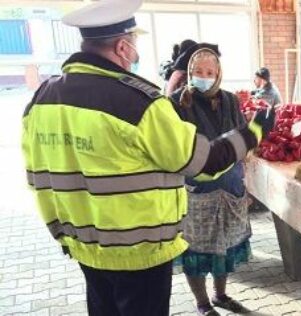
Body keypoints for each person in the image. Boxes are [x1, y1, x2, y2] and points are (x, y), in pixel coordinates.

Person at [20, 0, 275, 315]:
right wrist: (254, 132)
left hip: (84, 245)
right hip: (138, 251)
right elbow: (202, 162)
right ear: (123, 47)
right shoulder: (138, 101)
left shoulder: (43, 98)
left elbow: (35, 175)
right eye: (135, 43)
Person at [171, 48, 251, 316]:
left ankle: (221, 295)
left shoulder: (230, 100)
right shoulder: (176, 103)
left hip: (230, 188)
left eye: (209, 72)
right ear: (189, 73)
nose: (203, 77)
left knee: (225, 246)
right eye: (198, 72)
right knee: (196, 249)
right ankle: (202, 303)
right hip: (198, 190)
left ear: (218, 73)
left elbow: (243, 136)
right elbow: (177, 150)